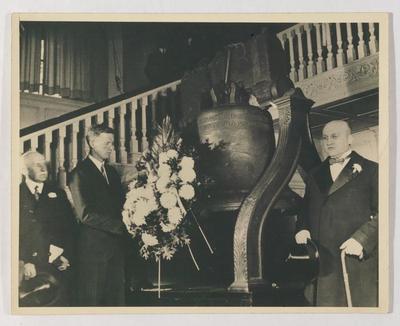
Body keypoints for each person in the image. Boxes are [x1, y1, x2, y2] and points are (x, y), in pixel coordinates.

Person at [295, 120, 378, 307]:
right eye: (325, 138)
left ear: (350, 139)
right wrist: (302, 228)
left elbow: (387, 212)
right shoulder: (315, 174)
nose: (328, 142)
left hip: (353, 260)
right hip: (322, 265)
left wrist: (362, 239)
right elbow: (304, 209)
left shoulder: (372, 170)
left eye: (335, 136)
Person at [69, 124, 126, 306]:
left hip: (115, 249)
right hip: (93, 253)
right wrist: (120, 226)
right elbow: (85, 214)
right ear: (92, 142)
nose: (112, 147)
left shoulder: (112, 173)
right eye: (107, 143)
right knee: (92, 304)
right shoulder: (79, 173)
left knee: (116, 302)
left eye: (113, 143)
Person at [19, 151, 75, 306]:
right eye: (37, 165)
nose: (43, 168)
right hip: (28, 266)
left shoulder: (57, 193)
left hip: (57, 263)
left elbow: (70, 228)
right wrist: (26, 260)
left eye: (44, 163)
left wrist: (66, 254)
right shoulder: (14, 195)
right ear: (24, 170)